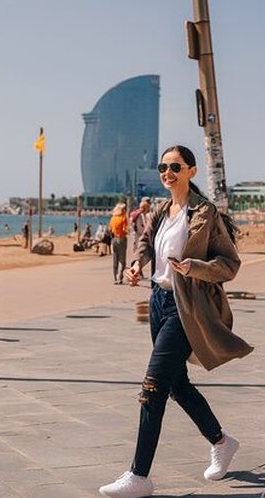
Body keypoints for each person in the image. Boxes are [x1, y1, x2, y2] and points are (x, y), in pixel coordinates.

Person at [99, 145, 253, 498]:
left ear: (191, 171)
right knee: (176, 384)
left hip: (187, 307)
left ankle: (139, 476)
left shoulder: (205, 213)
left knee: (152, 388)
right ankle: (221, 441)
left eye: (176, 167)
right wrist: (137, 265)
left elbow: (230, 265)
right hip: (158, 301)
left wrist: (193, 268)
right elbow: (145, 243)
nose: (168, 172)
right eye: (163, 167)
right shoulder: (161, 211)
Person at [109, 203, 128, 284]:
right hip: (121, 239)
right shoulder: (123, 218)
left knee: (115, 259)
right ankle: (120, 276)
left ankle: (115, 277)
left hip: (114, 239)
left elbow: (110, 229)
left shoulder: (113, 218)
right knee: (122, 260)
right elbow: (124, 229)